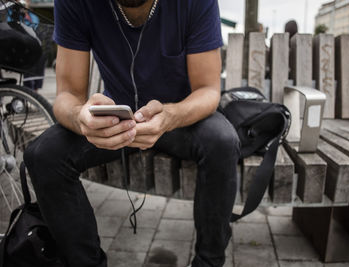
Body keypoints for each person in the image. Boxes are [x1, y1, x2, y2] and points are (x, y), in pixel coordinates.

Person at [23, 0, 240, 267]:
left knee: (223, 141)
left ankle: (208, 262)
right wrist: (81, 118)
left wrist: (170, 116)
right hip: (117, 120)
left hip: (180, 116)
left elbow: (208, 91)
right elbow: (67, 96)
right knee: (43, 154)